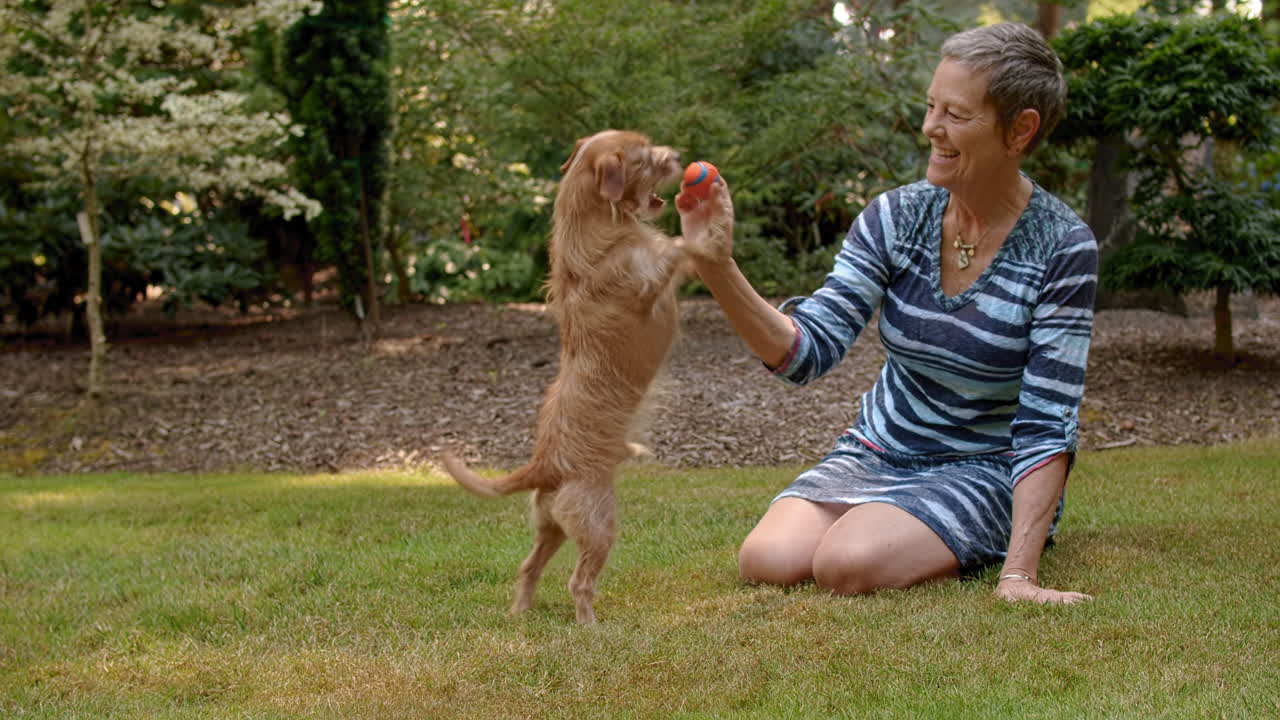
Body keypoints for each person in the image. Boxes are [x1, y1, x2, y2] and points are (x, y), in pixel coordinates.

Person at [676, 23, 1097, 605]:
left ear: (1019, 130)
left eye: (955, 113)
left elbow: (1049, 419)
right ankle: (889, 518)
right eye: (930, 107)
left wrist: (1018, 575)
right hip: (878, 450)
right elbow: (806, 352)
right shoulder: (895, 218)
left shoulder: (1062, 247)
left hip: (985, 466)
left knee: (846, 563)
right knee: (766, 560)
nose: (931, 128)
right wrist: (715, 266)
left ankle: (962, 533)